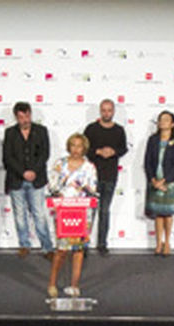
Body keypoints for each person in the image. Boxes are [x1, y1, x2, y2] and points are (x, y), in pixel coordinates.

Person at [46, 132, 99, 298]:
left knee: (78, 249)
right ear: (69, 147)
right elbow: (52, 185)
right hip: (63, 210)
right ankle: (52, 283)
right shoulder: (59, 164)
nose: (76, 149)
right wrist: (60, 194)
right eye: (73, 145)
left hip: (83, 212)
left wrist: (82, 191)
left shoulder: (90, 167)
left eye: (79, 146)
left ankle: (74, 285)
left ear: (84, 148)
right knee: (62, 249)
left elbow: (93, 189)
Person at [3, 101, 54, 258]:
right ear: (16, 117)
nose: (25, 120)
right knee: (20, 215)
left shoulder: (41, 131)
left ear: (31, 114)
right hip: (16, 180)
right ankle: (24, 244)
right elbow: (7, 157)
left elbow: (45, 154)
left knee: (39, 214)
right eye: (21, 117)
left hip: (37, 180)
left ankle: (47, 247)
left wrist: (33, 171)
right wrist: (23, 172)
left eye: (27, 116)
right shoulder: (10, 133)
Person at [84, 98, 127, 255]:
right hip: (92, 177)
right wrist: (98, 152)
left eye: (109, 110)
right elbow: (84, 148)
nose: (106, 113)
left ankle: (102, 243)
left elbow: (123, 148)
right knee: (89, 212)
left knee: (104, 211)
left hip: (110, 176)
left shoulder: (119, 130)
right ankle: (84, 243)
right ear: (100, 111)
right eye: (104, 110)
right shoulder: (91, 129)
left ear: (113, 111)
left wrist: (113, 152)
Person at [143, 110, 174, 256]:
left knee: (168, 214)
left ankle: (168, 242)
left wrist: (163, 181)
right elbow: (147, 162)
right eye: (161, 119)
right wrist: (153, 180)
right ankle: (158, 243)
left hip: (170, 182)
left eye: (166, 120)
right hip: (154, 181)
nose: (163, 122)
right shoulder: (152, 140)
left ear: (173, 124)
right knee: (158, 214)